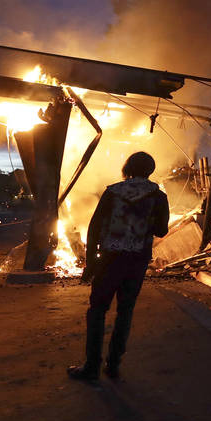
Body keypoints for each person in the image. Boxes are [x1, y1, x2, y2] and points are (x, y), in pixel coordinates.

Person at [67, 151, 169, 382]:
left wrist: (90, 262)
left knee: (97, 310)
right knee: (125, 311)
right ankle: (113, 366)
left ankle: (91, 366)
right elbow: (162, 230)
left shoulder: (112, 192)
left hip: (110, 258)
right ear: (150, 170)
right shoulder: (158, 196)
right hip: (137, 261)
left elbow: (94, 229)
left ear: (127, 168)